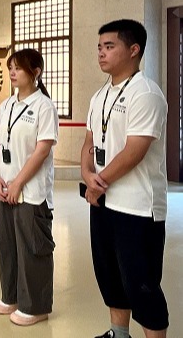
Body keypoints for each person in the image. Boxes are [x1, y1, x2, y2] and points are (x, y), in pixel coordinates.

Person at [81, 20, 168, 338]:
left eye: (109, 46)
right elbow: (89, 143)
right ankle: (119, 333)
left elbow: (135, 151)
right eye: (99, 47)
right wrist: (87, 174)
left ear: (134, 50)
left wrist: (97, 181)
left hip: (138, 208)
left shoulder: (146, 93)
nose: (101, 53)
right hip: (104, 202)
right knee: (110, 276)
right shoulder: (99, 96)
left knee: (141, 284)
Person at [0, 48, 58, 326]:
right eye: (11, 68)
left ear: (36, 72)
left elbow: (42, 150)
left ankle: (35, 306)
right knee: (7, 245)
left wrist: (18, 182)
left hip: (31, 191)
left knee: (32, 247)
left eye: (18, 68)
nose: (12, 72)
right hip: (4, 187)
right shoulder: (6, 105)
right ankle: (11, 297)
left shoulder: (44, 106)